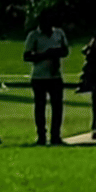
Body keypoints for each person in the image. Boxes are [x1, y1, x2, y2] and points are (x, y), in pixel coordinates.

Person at [23, 10, 69, 146]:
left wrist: (57, 53)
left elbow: (65, 50)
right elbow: (27, 56)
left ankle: (56, 136)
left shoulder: (59, 33)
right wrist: (45, 55)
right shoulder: (34, 35)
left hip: (55, 75)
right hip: (39, 76)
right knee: (40, 107)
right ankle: (41, 136)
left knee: (57, 107)